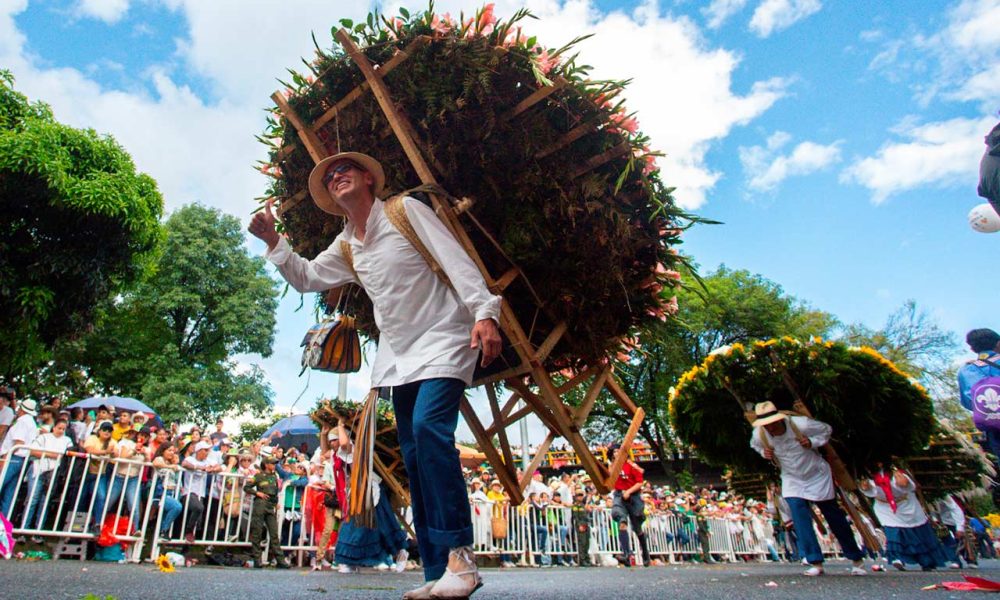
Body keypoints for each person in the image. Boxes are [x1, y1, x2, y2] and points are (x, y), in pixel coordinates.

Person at [249, 151, 501, 599]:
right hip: (398, 357)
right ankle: (435, 570)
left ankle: (462, 559)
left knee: (428, 432)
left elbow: (455, 257)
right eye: (329, 176)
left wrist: (485, 312)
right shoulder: (347, 245)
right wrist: (273, 241)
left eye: (344, 168)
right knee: (413, 454)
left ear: (369, 177)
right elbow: (307, 277)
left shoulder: (406, 211)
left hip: (446, 336)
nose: (336, 174)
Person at [749, 401, 867, 576]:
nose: (770, 428)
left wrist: (812, 442)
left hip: (816, 474)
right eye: (766, 425)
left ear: (780, 419)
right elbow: (755, 445)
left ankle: (855, 558)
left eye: (772, 423)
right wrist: (763, 453)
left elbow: (826, 430)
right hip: (791, 477)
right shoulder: (759, 434)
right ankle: (815, 560)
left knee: (833, 515)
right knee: (798, 514)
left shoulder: (800, 424)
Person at [333, 418, 409, 574]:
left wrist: (340, 426)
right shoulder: (354, 451)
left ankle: (401, 552)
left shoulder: (356, 449)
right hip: (360, 492)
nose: (334, 443)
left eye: (335, 439)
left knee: (382, 523)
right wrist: (327, 432)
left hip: (372, 491)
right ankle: (349, 561)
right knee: (359, 526)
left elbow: (344, 445)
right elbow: (333, 446)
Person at [859, 465, 949, 571]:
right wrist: (866, 486)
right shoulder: (866, 475)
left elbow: (909, 486)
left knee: (918, 534)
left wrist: (902, 481)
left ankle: (926, 562)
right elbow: (867, 490)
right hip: (886, 508)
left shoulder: (897, 471)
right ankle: (897, 558)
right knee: (892, 531)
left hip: (907, 505)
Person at [23, 418, 73, 529]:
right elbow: (33, 451)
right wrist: (53, 455)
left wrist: (45, 453)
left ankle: (38, 529)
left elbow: (67, 455)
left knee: (45, 501)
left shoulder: (67, 440)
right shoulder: (43, 437)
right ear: (54, 427)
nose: (61, 431)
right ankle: (24, 528)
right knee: (32, 498)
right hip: (37, 469)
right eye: (59, 428)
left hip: (53, 472)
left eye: (63, 429)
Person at [958, 329, 1000, 458]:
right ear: (998, 343)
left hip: (994, 427)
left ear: (972, 349)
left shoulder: (966, 370)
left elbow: (968, 402)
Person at [243, 456, 290, 569]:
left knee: (274, 534)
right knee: (257, 532)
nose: (274, 465)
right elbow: (247, 487)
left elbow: (275, 492)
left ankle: (280, 560)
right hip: (260, 504)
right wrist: (257, 493)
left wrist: (276, 504)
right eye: (272, 463)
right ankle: (257, 559)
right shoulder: (258, 476)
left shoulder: (274, 476)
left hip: (271, 505)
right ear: (266, 464)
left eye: (274, 463)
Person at [608, 442, 650, 567]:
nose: (616, 454)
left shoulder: (631, 464)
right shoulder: (612, 466)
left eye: (618, 451)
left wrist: (629, 491)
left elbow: (639, 482)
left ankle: (645, 553)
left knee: (637, 527)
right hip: (619, 495)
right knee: (621, 520)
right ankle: (626, 554)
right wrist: (611, 464)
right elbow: (610, 480)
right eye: (614, 452)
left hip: (633, 496)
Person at [0, 399, 39, 517]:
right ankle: (3, 527)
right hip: (22, 459)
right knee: (9, 493)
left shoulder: (22, 421)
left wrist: (5, 458)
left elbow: (18, 442)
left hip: (13, 457)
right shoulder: (31, 422)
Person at [151, 442, 184, 538]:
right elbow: (155, 463)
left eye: (173, 451)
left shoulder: (171, 463)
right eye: (169, 450)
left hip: (171, 493)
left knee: (163, 518)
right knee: (177, 507)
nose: (171, 453)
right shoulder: (160, 459)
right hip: (161, 493)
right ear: (163, 450)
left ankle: (156, 544)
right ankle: (163, 530)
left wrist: (174, 464)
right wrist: (170, 467)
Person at [570, 489, 593, 566]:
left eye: (581, 495)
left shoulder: (583, 505)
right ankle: (582, 560)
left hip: (586, 524)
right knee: (582, 543)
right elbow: (575, 517)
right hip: (581, 524)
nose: (580, 497)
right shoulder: (576, 505)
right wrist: (579, 525)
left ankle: (587, 559)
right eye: (578, 495)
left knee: (587, 543)